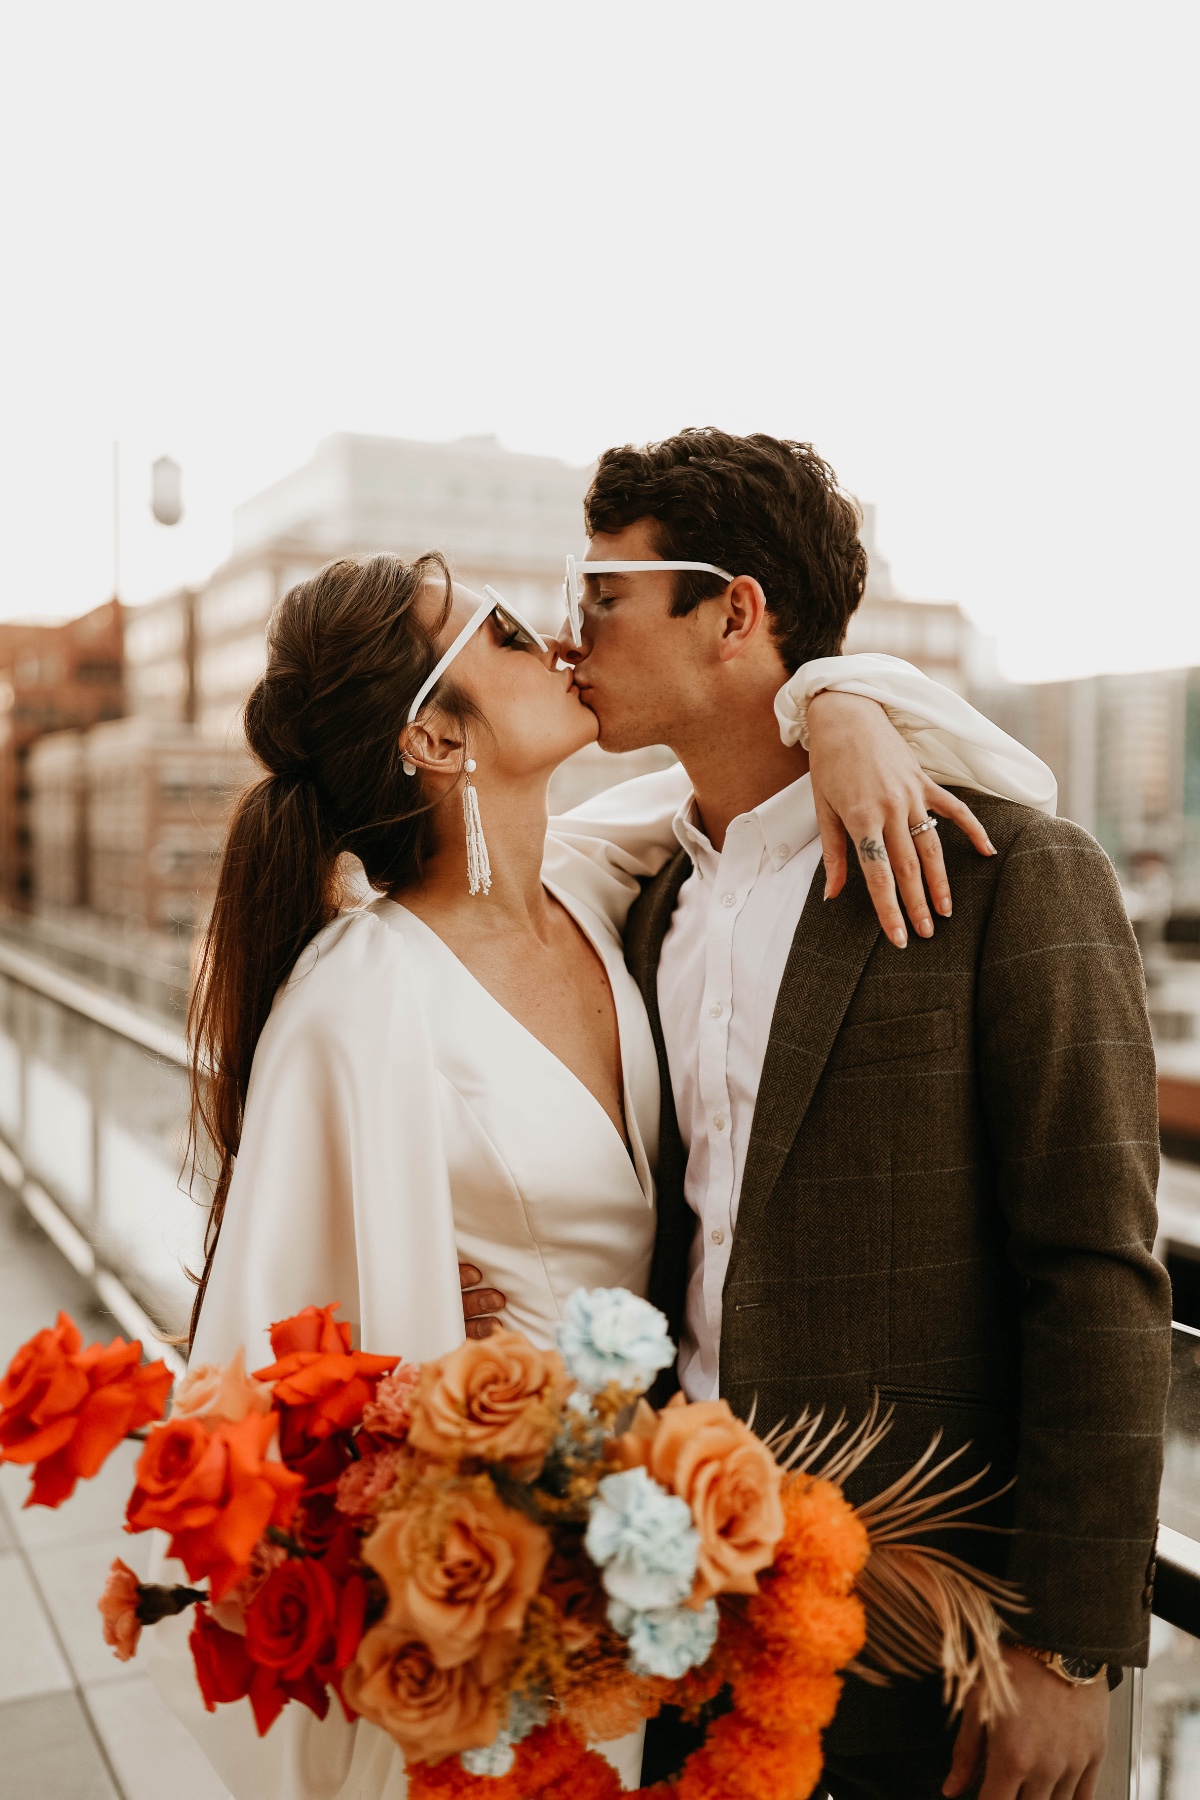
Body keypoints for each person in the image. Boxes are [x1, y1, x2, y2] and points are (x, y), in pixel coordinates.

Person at [145, 545, 1047, 1799]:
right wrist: (418, 1384)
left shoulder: (588, 882)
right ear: (440, 741)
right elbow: (261, 1369)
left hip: (655, 1581)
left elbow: (783, 771)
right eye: (508, 634)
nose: (559, 642)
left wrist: (834, 702)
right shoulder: (355, 1002)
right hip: (498, 1581)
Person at [545, 428, 1172, 1800]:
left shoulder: (1015, 878)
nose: (565, 634)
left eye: (603, 595)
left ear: (735, 614)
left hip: (922, 1647)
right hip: (679, 1616)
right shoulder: (648, 901)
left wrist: (1068, 1650)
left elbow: (1098, 1270)